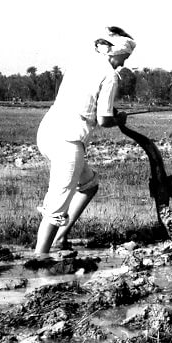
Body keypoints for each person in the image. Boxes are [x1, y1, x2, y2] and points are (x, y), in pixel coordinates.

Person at [34, 26, 136, 256]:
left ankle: (60, 238)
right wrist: (118, 118)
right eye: (124, 58)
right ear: (114, 52)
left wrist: (110, 111)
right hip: (68, 141)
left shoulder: (81, 63)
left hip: (48, 131)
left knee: (89, 185)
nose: (122, 64)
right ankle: (39, 261)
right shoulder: (110, 75)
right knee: (57, 205)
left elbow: (85, 100)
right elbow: (103, 119)